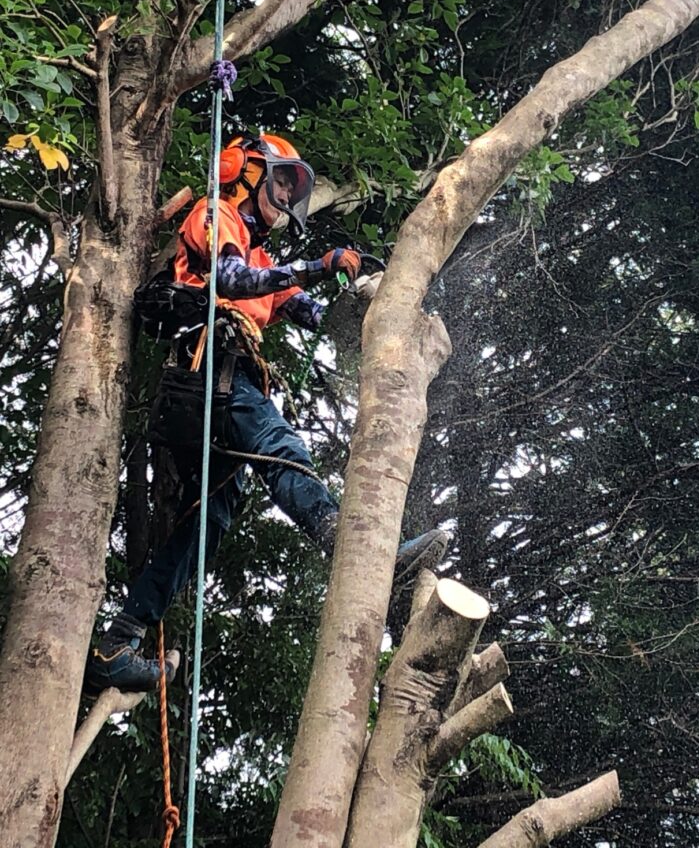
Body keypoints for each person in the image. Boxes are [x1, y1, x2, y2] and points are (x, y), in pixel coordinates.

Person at [85, 134, 447, 694]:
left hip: (229, 382)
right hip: (210, 369)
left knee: (206, 525)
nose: (284, 194)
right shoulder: (216, 214)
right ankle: (344, 540)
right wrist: (316, 265)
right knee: (282, 448)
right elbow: (231, 281)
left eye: (290, 188)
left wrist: (361, 288)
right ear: (247, 170)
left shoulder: (262, 257)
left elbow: (305, 307)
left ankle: (120, 638)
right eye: (279, 181)